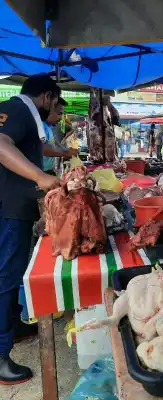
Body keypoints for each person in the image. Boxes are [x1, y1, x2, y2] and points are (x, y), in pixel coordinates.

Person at [0, 74, 60, 384]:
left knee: (14, 271)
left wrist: (62, 155)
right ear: (47, 97)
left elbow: (36, 147)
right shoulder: (19, 110)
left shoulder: (24, 115)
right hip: (8, 208)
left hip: (17, 209)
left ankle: (13, 325)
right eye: (54, 103)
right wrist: (40, 177)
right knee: (6, 278)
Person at [42, 99, 78, 175]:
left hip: (48, 171)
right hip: (40, 173)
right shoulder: (41, 127)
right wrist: (65, 153)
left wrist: (66, 150)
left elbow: (53, 144)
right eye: (59, 114)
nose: (61, 118)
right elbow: (41, 148)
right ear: (48, 110)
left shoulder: (49, 127)